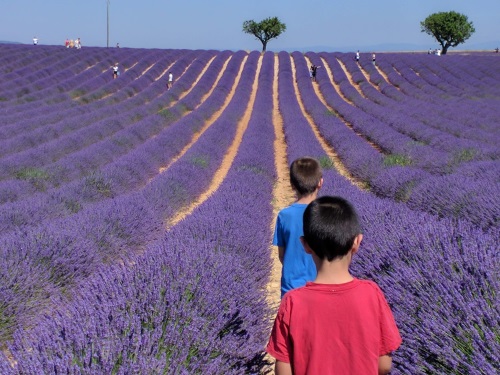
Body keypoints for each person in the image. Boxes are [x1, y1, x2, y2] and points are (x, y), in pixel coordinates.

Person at [267, 196, 402, 375]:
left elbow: (283, 370)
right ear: (357, 242)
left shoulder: (293, 302)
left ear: (305, 245)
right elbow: (384, 364)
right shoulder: (371, 294)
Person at [273, 157, 323, 298]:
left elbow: (282, 255)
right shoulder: (327, 214)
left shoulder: (284, 216)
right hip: (321, 286)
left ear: (292, 185)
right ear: (320, 183)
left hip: (291, 288)